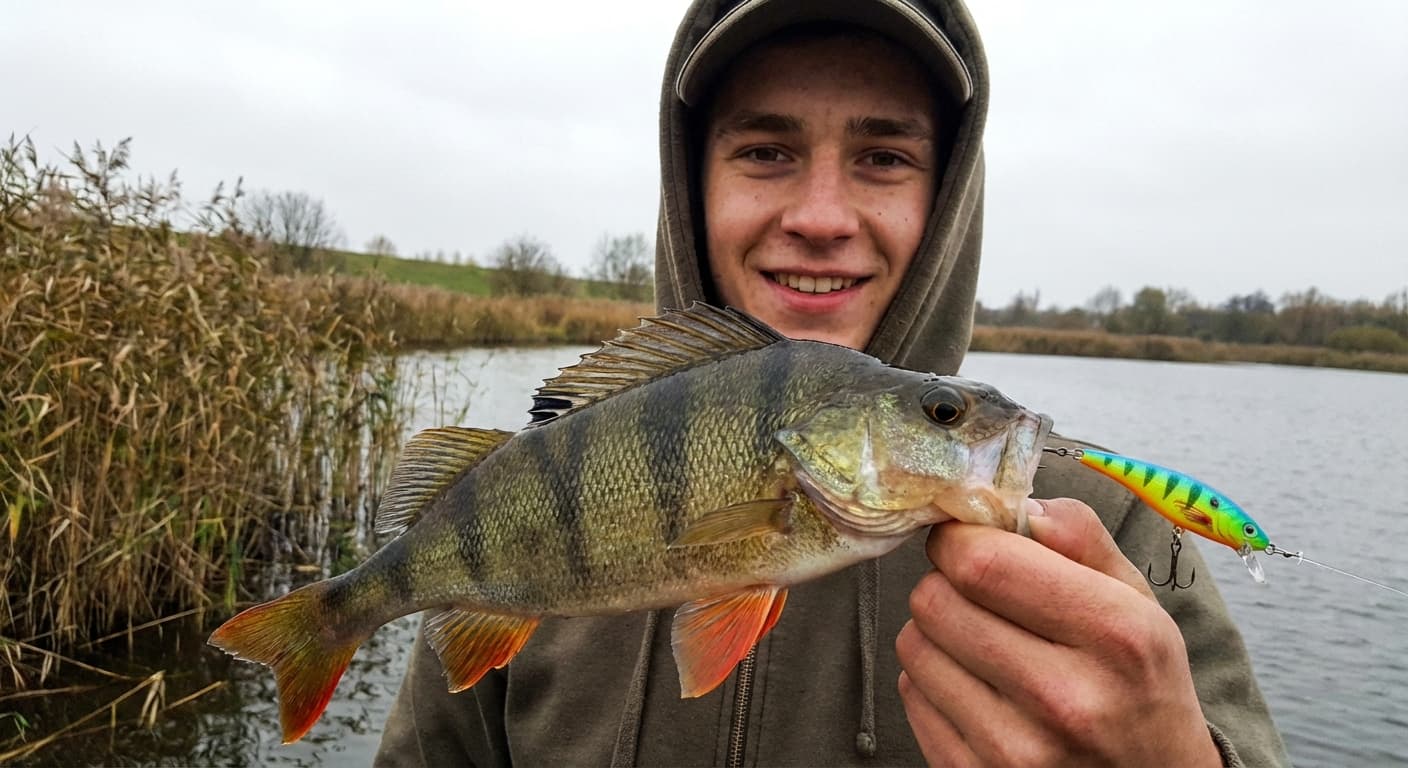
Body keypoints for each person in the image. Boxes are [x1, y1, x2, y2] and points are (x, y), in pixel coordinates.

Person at [376, 1, 1290, 765]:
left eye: (884, 157)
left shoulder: (1108, 530)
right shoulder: (522, 493)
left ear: (947, 203)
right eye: (766, 150)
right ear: (691, 188)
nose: (820, 218)